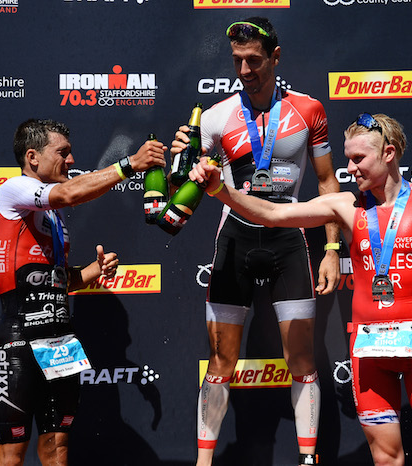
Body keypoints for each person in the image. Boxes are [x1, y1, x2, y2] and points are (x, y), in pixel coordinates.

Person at [190, 112, 412, 466]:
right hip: (369, 348)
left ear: (388, 153)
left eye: (358, 158)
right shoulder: (346, 206)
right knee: (386, 459)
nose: (349, 168)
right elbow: (271, 214)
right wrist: (221, 189)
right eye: (347, 158)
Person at [170, 17, 340, 466]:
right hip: (236, 240)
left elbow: (327, 183)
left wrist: (332, 248)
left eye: (255, 60)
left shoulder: (309, 110)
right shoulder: (215, 118)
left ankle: (307, 459)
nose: (245, 70)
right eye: (237, 61)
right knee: (221, 359)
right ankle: (204, 463)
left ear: (275, 56)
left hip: (288, 238)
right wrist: (182, 164)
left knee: (301, 358)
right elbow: (189, 186)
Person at [0, 119, 166, 466]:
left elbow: (59, 281)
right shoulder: (13, 190)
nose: (71, 161)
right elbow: (70, 192)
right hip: (19, 338)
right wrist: (130, 164)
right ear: (32, 157)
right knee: (11, 454)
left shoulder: (55, 217)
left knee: (58, 449)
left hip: (61, 341)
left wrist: (92, 273)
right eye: (63, 153)